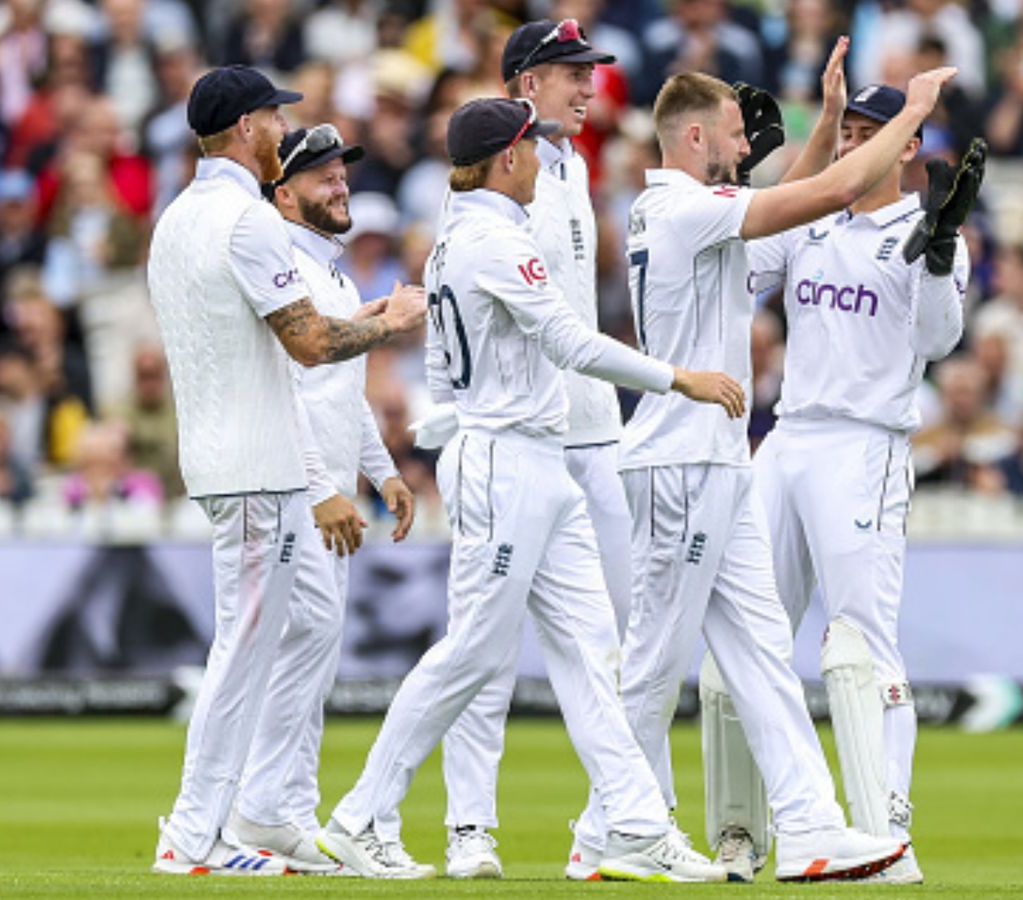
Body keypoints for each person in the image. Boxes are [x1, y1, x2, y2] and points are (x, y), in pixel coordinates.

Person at [314, 97, 741, 883]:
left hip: (532, 459)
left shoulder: (460, 235)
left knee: (590, 649)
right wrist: (678, 378)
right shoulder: (496, 241)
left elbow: (456, 365)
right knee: (475, 650)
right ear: (507, 157)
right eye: (531, 148)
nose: (543, 161)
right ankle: (360, 816)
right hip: (508, 462)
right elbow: (570, 341)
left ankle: (634, 824)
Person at [569, 54, 956, 883]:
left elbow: (793, 205)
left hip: (721, 461)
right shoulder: (682, 208)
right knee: (655, 664)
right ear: (694, 137)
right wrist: (911, 112)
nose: (749, 148)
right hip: (680, 459)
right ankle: (606, 828)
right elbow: (823, 194)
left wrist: (829, 122)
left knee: (760, 652)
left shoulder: (691, 209)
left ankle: (810, 825)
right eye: (736, 135)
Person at [146, 65, 427, 877]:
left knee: (276, 640)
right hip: (260, 466)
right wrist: (392, 323)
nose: (280, 130)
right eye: (274, 118)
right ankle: (194, 835)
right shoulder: (249, 220)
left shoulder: (178, 217)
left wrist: (359, 319)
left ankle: (259, 815)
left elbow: (263, 338)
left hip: (221, 459)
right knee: (242, 653)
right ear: (246, 128)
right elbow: (309, 347)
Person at [702, 81, 980, 885]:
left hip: (865, 444)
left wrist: (938, 251)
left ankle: (885, 831)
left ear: (908, 146)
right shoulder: (812, 217)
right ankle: (739, 833)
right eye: (849, 130)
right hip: (788, 437)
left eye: (870, 132)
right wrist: (745, 179)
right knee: (738, 644)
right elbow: (739, 267)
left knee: (858, 645)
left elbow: (937, 340)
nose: (856, 143)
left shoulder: (930, 230)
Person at [434, 20, 627, 880]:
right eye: (569, 73)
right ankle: (469, 827)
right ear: (524, 84)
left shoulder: (572, 166)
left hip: (592, 430)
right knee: (485, 645)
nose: (587, 87)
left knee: (606, 644)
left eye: (590, 72)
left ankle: (613, 825)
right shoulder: (489, 179)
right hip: (518, 438)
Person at [224, 124, 421, 876]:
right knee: (304, 639)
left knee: (315, 653)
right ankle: (258, 806)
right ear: (284, 194)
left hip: (331, 492)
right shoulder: (285, 270)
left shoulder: (334, 278)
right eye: (322, 177)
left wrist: (384, 471)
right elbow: (283, 394)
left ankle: (290, 813)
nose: (339, 186)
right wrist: (321, 489)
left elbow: (342, 396)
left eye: (342, 174)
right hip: (295, 491)